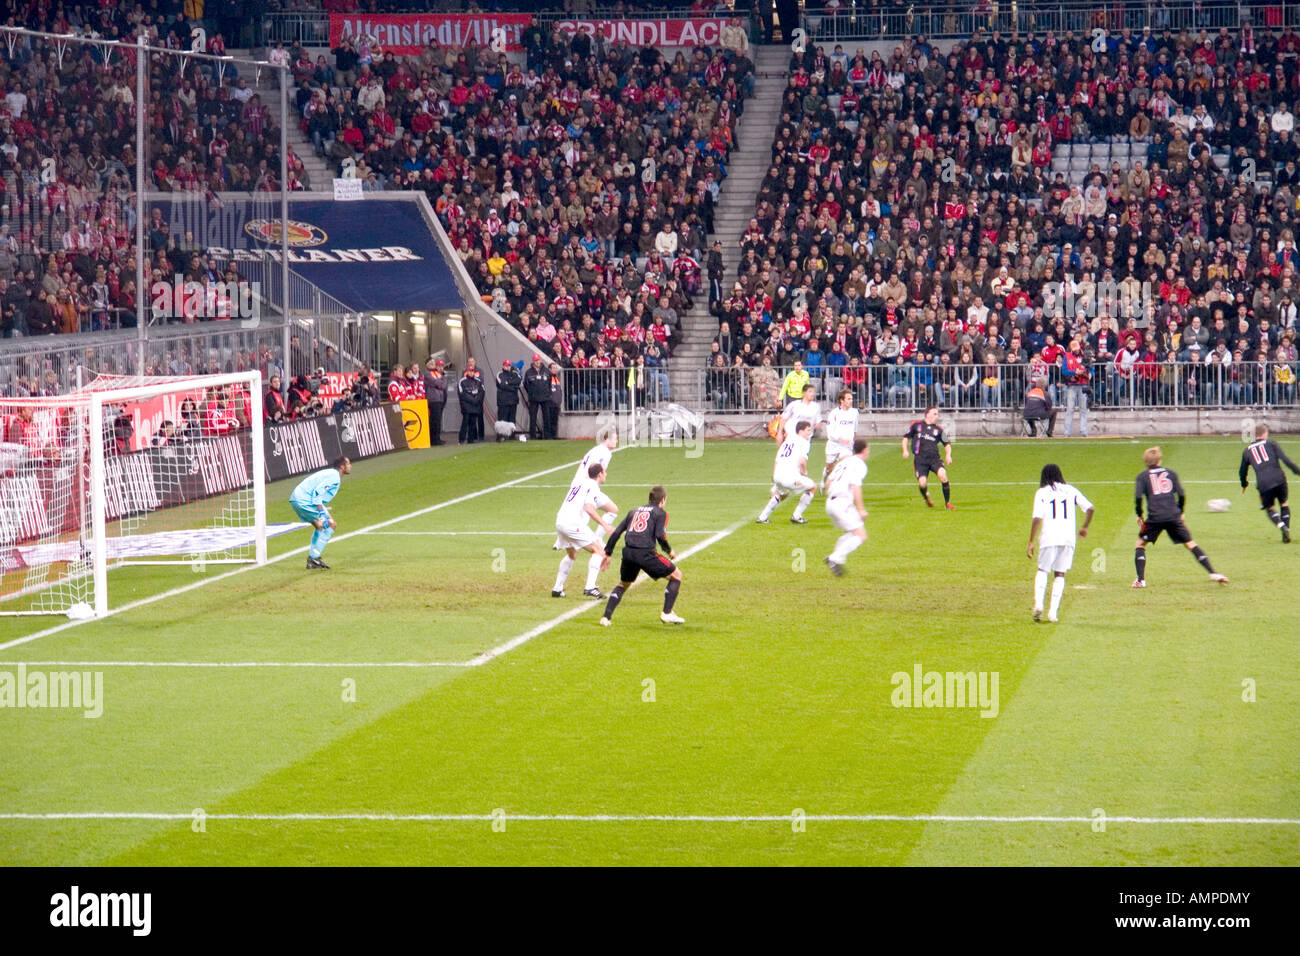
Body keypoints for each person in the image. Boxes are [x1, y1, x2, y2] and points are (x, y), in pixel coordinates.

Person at [1133, 447, 1228, 588]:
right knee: (1190, 544)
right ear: (1160, 460)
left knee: (1140, 544)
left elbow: (1138, 497)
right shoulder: (1171, 473)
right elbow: (1182, 494)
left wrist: (1139, 514)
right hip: (1173, 515)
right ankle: (1213, 573)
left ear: (1145, 461)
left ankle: (1141, 580)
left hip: (1155, 517)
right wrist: (1180, 511)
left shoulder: (1142, 476)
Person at [599, 485, 685, 627]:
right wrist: (669, 550)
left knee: (623, 584)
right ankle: (667, 613)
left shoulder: (633, 511)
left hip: (628, 553)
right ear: (663, 500)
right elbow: (660, 535)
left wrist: (608, 553)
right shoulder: (660, 513)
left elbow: (616, 532)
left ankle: (606, 617)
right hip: (645, 553)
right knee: (676, 575)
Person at [1027, 463, 1095, 622]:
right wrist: (1084, 527)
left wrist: (1031, 541)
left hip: (1049, 536)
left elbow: (1037, 518)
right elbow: (1090, 508)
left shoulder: (1042, 492)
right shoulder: (1071, 490)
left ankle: (1038, 605)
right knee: (1060, 574)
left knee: (1043, 570)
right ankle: (1053, 613)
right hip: (1068, 538)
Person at [567, 428, 621, 597]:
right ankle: (588, 585)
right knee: (580, 535)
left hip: (580, 488)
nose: (617, 441)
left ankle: (559, 587)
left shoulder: (596, 450)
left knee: (613, 509)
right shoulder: (604, 452)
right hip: (586, 489)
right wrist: (590, 485)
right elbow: (593, 469)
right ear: (607, 439)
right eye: (615, 438)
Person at [552, 462, 613, 597]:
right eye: (605, 472)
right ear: (599, 474)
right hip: (572, 524)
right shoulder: (593, 487)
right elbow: (589, 509)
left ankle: (557, 589)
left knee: (572, 554)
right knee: (599, 550)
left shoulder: (579, 483)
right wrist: (605, 525)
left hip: (560, 521)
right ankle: (590, 587)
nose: (606, 474)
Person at [289, 456, 351, 570]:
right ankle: (314, 558)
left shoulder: (330, 473)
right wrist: (321, 513)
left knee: (319, 526)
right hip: (305, 500)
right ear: (342, 466)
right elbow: (317, 492)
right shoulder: (334, 477)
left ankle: (313, 560)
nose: (350, 466)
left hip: (296, 499)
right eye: (348, 464)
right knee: (331, 524)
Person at [1239, 425, 1299, 543]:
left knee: (1269, 508)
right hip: (1280, 479)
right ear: (1264, 434)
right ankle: (1286, 533)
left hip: (1263, 483)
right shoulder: (1271, 444)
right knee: (1284, 503)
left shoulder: (1247, 451)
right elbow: (1286, 460)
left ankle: (1281, 525)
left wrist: (1244, 484)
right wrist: (1297, 472)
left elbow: (1242, 471)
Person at [824, 437, 870, 576]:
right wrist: (861, 509)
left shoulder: (844, 462)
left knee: (850, 533)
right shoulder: (860, 465)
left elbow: (829, 482)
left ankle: (836, 559)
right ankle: (834, 558)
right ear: (865, 450)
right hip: (842, 503)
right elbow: (855, 485)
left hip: (830, 503)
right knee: (861, 535)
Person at [757, 419, 817, 524]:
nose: (810, 433)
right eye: (808, 430)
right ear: (800, 431)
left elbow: (776, 460)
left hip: (777, 475)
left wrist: (774, 477)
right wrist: (804, 472)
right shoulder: (804, 443)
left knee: (782, 494)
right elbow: (802, 462)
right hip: (789, 477)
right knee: (813, 487)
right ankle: (797, 516)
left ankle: (762, 517)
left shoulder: (787, 442)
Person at [903, 406, 954, 509]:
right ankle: (926, 498)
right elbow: (905, 438)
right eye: (934, 414)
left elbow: (947, 444)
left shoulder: (939, 430)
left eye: (937, 414)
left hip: (934, 459)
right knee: (922, 483)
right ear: (927, 414)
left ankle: (947, 503)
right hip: (920, 460)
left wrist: (948, 455)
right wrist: (905, 450)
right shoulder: (916, 425)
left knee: (943, 475)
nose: (937, 416)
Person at [822, 388, 859, 491]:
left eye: (851, 399)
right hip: (834, 445)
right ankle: (824, 480)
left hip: (847, 446)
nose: (851, 401)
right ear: (842, 400)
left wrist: (854, 441)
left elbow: (855, 429)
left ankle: (842, 488)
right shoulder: (834, 414)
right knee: (829, 468)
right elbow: (830, 432)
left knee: (846, 465)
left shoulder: (855, 412)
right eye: (848, 399)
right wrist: (841, 439)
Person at [523, 353, 550, 439]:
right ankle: (533, 436)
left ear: (541, 360)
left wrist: (547, 392)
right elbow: (526, 384)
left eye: (538, 360)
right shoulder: (528, 372)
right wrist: (531, 393)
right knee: (533, 417)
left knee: (546, 417)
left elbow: (549, 383)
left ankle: (547, 435)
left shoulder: (546, 371)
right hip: (533, 398)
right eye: (535, 361)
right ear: (533, 361)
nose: (537, 362)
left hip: (545, 397)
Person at [457, 365, 484, 443]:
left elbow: (482, 392)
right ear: (467, 372)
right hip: (466, 406)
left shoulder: (478, 381)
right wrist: (472, 399)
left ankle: (470, 439)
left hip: (475, 406)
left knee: (473, 423)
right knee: (465, 422)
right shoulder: (462, 381)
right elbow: (462, 394)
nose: (471, 373)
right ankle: (461, 439)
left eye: (472, 371)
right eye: (469, 371)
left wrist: (477, 399)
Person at [422, 358, 446, 445]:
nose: (433, 364)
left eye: (433, 362)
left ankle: (437, 437)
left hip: (439, 398)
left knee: (438, 419)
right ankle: (433, 439)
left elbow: (443, 383)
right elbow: (436, 382)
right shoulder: (427, 374)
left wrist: (440, 383)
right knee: (434, 420)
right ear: (427, 365)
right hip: (433, 399)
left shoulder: (437, 373)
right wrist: (440, 383)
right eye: (431, 363)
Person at [496, 360, 522, 436]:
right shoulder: (500, 374)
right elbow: (502, 385)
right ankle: (502, 436)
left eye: (509, 366)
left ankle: (511, 435)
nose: (507, 367)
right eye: (506, 366)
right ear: (503, 366)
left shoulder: (515, 373)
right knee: (503, 419)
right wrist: (513, 387)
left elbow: (518, 381)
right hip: (503, 401)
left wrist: (508, 382)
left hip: (513, 401)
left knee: (512, 419)